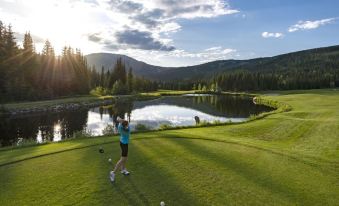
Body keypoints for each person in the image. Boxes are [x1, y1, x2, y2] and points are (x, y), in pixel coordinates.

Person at [110, 118, 131, 182]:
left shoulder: (119, 126)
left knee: (126, 157)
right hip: (124, 144)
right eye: (127, 125)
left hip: (122, 142)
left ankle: (123, 169)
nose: (128, 125)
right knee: (123, 159)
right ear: (125, 126)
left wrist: (121, 120)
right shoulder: (128, 130)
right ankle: (113, 172)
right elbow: (127, 124)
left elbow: (118, 119)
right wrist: (123, 120)